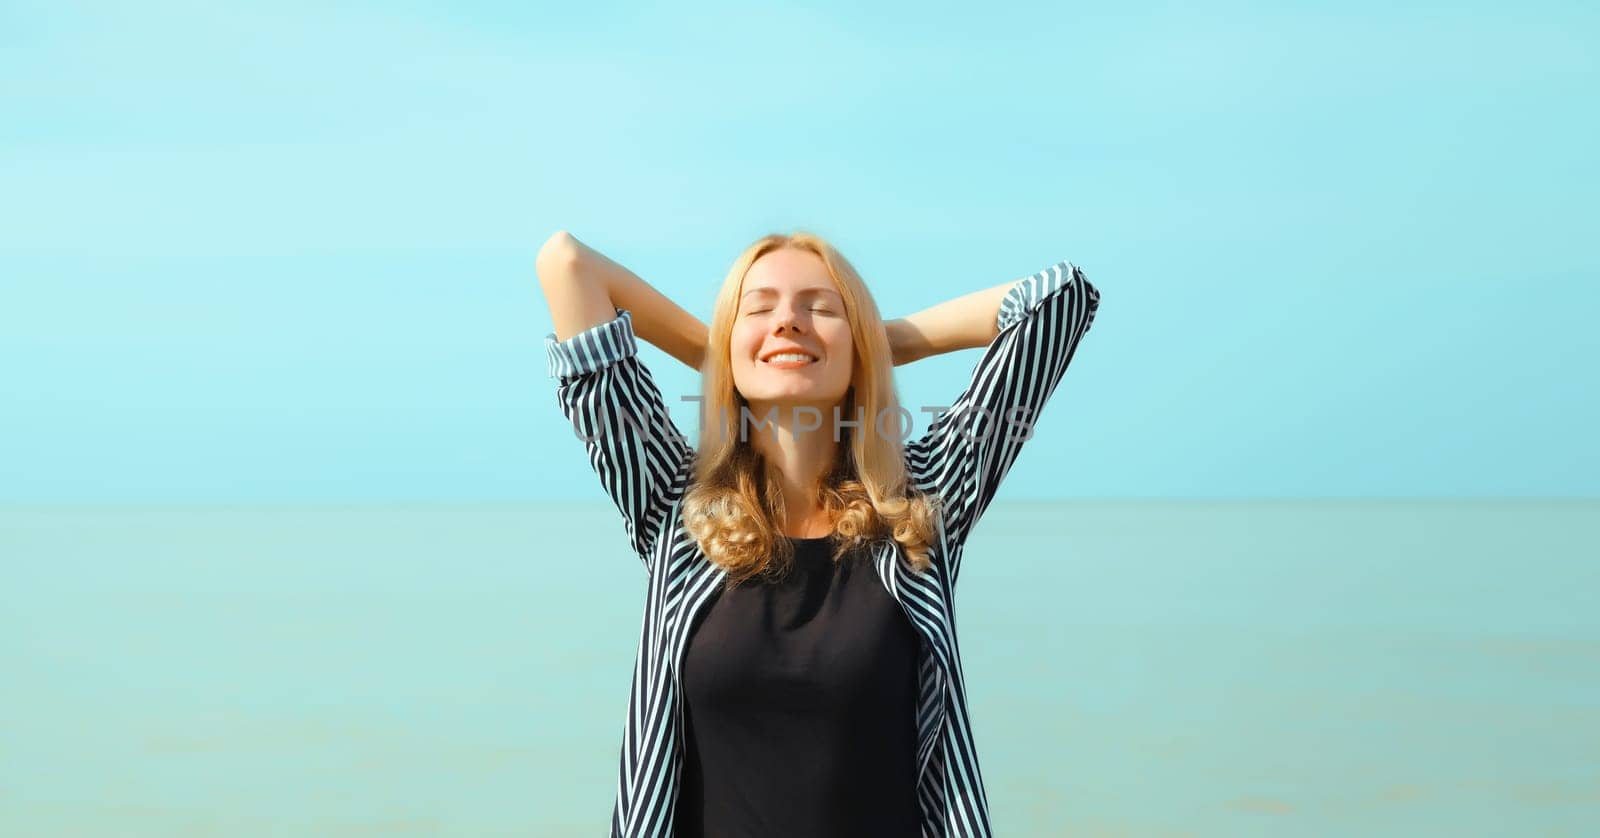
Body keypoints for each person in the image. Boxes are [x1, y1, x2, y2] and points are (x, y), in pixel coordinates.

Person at [538, 230, 1101, 838]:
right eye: (759, 308)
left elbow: (1057, 299)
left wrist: (875, 346)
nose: (789, 322)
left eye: (821, 308)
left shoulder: (926, 501)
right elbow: (568, 264)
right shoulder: (672, 500)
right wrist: (723, 348)